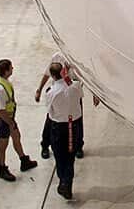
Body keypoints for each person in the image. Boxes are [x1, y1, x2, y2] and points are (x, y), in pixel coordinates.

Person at [35, 52, 93, 160]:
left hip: (72, 93)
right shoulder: (57, 57)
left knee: (77, 120)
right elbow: (48, 73)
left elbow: (89, 76)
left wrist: (96, 93)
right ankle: (45, 145)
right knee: (51, 120)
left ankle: (79, 146)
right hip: (58, 94)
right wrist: (39, 89)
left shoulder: (81, 57)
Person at [0, 58, 37, 182]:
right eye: (11, 67)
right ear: (6, 71)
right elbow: (0, 110)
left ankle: (23, 160)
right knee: (3, 145)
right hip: (1, 120)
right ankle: (2, 169)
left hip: (8, 118)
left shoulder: (5, 81)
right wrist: (10, 123)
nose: (13, 69)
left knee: (16, 137)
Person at [43, 61, 84, 200]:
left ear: (52, 76)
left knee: (60, 156)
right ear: (62, 72)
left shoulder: (51, 92)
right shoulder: (76, 86)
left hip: (59, 127)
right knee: (70, 157)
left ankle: (64, 181)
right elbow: (78, 94)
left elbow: (50, 112)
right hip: (75, 125)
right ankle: (67, 183)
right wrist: (67, 79)